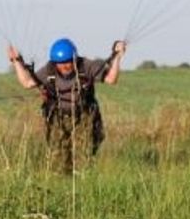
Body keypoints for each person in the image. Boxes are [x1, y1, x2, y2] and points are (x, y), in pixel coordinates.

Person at [7, 38, 126, 172]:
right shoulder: (49, 70)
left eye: (67, 62)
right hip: (58, 118)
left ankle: (82, 184)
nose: (64, 66)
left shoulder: (86, 66)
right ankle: (63, 185)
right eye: (60, 63)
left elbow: (111, 78)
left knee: (83, 157)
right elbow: (27, 82)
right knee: (59, 159)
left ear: (74, 59)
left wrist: (117, 57)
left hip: (84, 117)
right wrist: (16, 61)